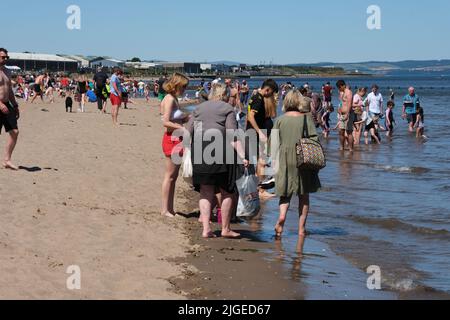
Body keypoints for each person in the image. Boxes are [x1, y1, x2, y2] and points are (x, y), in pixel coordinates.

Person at [187, 83, 249, 238]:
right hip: (221, 154)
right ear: (224, 95)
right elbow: (232, 136)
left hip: (200, 152)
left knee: (205, 190)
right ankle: (225, 228)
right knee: (227, 190)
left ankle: (206, 228)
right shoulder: (227, 109)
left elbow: (188, 133)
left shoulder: (199, 108)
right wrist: (243, 156)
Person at [271, 90, 321, 238]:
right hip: (302, 159)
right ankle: (301, 229)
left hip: (284, 159)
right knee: (303, 196)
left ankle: (281, 217)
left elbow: (273, 143)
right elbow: (314, 139)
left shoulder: (280, 120)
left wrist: (273, 161)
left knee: (284, 194)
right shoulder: (306, 119)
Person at [160, 73, 190, 218]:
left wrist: (185, 117)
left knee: (173, 176)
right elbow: (165, 122)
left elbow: (172, 118)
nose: (185, 89)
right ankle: (165, 209)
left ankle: (170, 209)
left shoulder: (173, 98)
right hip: (172, 139)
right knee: (170, 176)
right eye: (184, 86)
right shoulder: (170, 99)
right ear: (176, 85)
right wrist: (182, 128)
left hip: (176, 139)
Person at [246, 79, 279, 199]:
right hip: (258, 134)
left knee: (260, 162)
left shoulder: (255, 96)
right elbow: (250, 116)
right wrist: (260, 132)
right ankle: (260, 190)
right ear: (267, 90)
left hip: (255, 133)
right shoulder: (258, 99)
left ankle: (256, 188)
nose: (271, 96)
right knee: (262, 162)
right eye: (271, 93)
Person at [0, 48, 20, 170]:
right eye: (3, 57)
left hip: (7, 104)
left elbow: (10, 91)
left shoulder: (7, 71)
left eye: (6, 57)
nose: (5, 59)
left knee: (15, 132)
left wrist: (15, 105)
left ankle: (7, 160)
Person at [336, 80, 354, 152]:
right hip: (342, 114)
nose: (339, 89)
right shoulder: (341, 92)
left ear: (343, 85)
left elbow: (349, 103)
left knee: (349, 131)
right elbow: (340, 102)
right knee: (341, 131)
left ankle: (351, 149)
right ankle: (342, 147)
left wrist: (347, 114)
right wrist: (339, 109)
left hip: (348, 114)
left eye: (339, 87)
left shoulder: (349, 92)